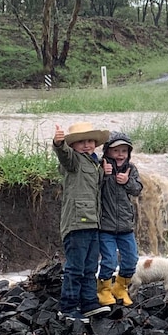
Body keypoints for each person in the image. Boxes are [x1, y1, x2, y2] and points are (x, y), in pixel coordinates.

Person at [52, 121, 112, 322]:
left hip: (93, 222)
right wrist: (58, 144)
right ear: (73, 145)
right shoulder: (74, 161)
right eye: (81, 142)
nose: (86, 145)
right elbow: (64, 156)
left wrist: (105, 171)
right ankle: (68, 307)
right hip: (77, 222)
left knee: (90, 266)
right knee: (75, 267)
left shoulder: (95, 164)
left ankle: (89, 303)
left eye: (90, 141)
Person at [98, 131, 143, 306]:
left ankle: (120, 288)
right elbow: (91, 187)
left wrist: (127, 182)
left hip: (126, 226)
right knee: (108, 260)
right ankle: (104, 291)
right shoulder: (101, 166)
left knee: (131, 259)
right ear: (107, 151)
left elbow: (138, 189)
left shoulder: (131, 169)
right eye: (116, 151)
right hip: (105, 226)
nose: (120, 155)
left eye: (124, 151)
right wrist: (102, 174)